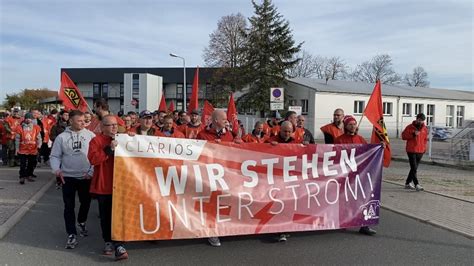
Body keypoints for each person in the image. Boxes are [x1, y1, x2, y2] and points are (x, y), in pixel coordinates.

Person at [50, 110, 95, 249]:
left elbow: (96, 155)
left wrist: (91, 171)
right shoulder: (62, 137)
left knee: (85, 202)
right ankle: (71, 234)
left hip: (85, 176)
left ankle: (81, 221)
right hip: (67, 177)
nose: (83, 123)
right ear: (71, 121)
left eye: (84, 120)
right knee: (69, 206)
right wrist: (57, 170)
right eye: (79, 121)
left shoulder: (90, 135)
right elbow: (55, 156)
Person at [197, 110, 241, 247]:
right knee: (211, 204)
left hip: (225, 175)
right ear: (215, 120)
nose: (226, 121)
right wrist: (211, 147)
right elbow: (197, 153)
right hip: (208, 175)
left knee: (224, 201)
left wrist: (239, 143)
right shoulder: (202, 135)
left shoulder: (228, 134)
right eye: (224, 119)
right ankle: (212, 232)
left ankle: (223, 227)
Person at [88, 115, 129, 260]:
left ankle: (119, 244)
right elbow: (93, 159)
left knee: (119, 215)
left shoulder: (123, 138)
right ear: (102, 127)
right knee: (105, 216)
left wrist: (134, 140)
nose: (114, 127)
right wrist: (108, 150)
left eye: (115, 125)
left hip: (122, 185)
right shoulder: (96, 141)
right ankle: (108, 241)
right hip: (104, 185)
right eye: (110, 125)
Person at [334, 115, 377, 236]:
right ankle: (343, 221)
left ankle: (364, 225)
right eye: (350, 124)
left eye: (354, 124)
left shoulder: (361, 139)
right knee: (344, 199)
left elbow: (369, 153)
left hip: (360, 175)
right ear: (346, 126)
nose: (353, 126)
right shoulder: (339, 140)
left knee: (362, 199)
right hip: (345, 175)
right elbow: (334, 156)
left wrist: (379, 148)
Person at [402, 113, 428, 191]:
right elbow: (403, 136)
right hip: (411, 150)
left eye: (422, 120)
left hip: (420, 151)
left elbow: (425, 140)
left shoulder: (424, 129)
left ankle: (407, 183)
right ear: (416, 119)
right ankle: (416, 184)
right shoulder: (410, 127)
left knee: (414, 168)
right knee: (414, 167)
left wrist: (424, 149)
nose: (421, 122)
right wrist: (413, 134)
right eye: (419, 120)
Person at [15, 113, 42, 184]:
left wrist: (39, 145)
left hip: (33, 149)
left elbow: (39, 138)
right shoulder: (20, 128)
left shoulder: (36, 127)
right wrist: (17, 149)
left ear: (32, 119)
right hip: (23, 149)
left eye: (29, 118)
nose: (28, 119)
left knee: (31, 164)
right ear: (24, 119)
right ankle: (22, 177)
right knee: (22, 164)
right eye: (27, 118)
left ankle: (29, 175)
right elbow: (17, 139)